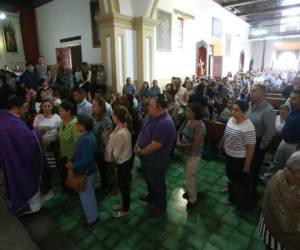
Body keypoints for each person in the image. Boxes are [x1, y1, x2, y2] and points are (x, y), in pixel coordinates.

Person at [0, 96, 52, 215]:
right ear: (15, 108)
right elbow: (28, 140)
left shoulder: (4, 119)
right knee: (27, 181)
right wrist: (39, 133)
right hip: (19, 160)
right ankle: (31, 209)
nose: (26, 111)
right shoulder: (13, 123)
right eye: (24, 108)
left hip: (11, 156)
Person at [135, 94, 176, 217]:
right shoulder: (150, 116)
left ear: (160, 108)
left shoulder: (164, 123)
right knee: (149, 181)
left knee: (158, 184)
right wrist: (137, 145)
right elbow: (142, 132)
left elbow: (155, 145)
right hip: (147, 159)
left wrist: (140, 152)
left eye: (151, 105)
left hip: (156, 161)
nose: (148, 107)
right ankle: (151, 196)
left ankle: (161, 206)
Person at [258, 151, 300, 250]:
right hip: (280, 241)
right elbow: (290, 226)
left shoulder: (278, 174)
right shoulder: (294, 193)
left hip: (266, 227)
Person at [220, 100, 256, 204]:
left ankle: (233, 199)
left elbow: (251, 147)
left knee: (236, 177)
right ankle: (230, 188)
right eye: (233, 109)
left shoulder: (248, 126)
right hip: (229, 153)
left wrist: (247, 165)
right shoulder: (231, 119)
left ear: (244, 112)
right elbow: (226, 133)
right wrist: (221, 143)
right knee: (230, 174)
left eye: (237, 110)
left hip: (239, 158)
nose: (233, 112)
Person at [66, 114, 98, 226]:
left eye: (77, 123)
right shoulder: (89, 134)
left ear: (83, 126)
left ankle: (92, 219)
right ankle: (91, 215)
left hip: (86, 173)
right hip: (90, 171)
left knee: (86, 197)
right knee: (89, 195)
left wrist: (72, 166)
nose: (75, 124)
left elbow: (86, 160)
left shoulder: (85, 139)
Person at [262, 89, 300, 182]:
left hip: (294, 146)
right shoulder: (292, 109)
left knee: (289, 167)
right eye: (290, 97)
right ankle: (266, 179)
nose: (290, 100)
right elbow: (288, 124)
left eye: (294, 99)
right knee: (276, 162)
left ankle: (281, 186)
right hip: (284, 141)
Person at [104, 105, 132, 217]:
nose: (112, 116)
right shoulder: (119, 127)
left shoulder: (122, 133)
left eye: (113, 115)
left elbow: (115, 155)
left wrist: (105, 140)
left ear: (116, 117)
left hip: (123, 164)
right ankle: (124, 205)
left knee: (124, 188)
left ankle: (126, 209)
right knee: (123, 186)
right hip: (123, 161)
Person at [246, 84, 276, 193]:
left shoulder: (268, 110)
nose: (251, 93)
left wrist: (260, 147)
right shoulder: (249, 105)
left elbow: (270, 132)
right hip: (246, 141)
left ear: (263, 94)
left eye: (254, 91)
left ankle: (250, 193)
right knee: (244, 166)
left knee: (253, 169)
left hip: (257, 143)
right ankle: (242, 189)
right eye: (251, 91)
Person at [176, 103, 206, 208]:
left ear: (194, 114)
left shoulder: (200, 126)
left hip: (194, 154)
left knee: (189, 176)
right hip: (185, 152)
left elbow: (195, 144)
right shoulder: (187, 120)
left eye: (188, 111)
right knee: (190, 174)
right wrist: (178, 140)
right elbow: (179, 131)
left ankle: (193, 199)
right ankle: (191, 192)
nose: (186, 112)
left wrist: (180, 145)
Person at [92, 96, 113, 194]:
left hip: (102, 150)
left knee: (104, 169)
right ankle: (103, 184)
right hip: (94, 148)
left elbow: (107, 139)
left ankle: (107, 186)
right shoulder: (93, 116)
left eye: (94, 105)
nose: (92, 107)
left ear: (101, 107)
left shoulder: (106, 120)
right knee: (100, 169)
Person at [58, 101, 80, 190]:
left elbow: (77, 142)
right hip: (63, 153)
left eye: (61, 111)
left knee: (73, 177)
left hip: (72, 156)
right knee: (64, 175)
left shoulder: (75, 124)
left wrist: (71, 158)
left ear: (69, 112)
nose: (59, 113)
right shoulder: (61, 122)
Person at [33, 99, 62, 168]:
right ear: (41, 107)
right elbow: (34, 129)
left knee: (51, 163)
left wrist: (53, 140)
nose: (47, 108)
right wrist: (43, 127)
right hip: (40, 143)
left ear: (52, 107)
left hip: (53, 143)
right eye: (44, 106)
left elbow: (60, 130)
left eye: (49, 106)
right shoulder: (38, 117)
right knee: (43, 162)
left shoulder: (56, 117)